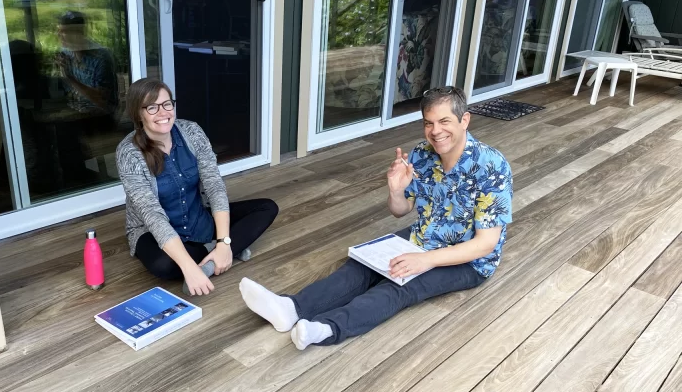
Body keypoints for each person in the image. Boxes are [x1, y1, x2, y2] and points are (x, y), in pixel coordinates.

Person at [239, 86, 512, 350]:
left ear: (464, 120)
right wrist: (395, 190)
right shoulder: (422, 154)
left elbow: (485, 244)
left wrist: (424, 260)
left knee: (400, 286)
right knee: (360, 265)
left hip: (468, 260)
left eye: (444, 121)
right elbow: (401, 210)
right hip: (424, 236)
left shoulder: (492, 166)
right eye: (428, 123)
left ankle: (327, 328)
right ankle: (291, 308)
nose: (435, 131)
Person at [116, 78, 279, 295]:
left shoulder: (191, 132)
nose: (163, 112)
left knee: (267, 207)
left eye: (167, 104)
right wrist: (190, 268)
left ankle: (219, 253)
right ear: (138, 114)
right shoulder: (128, 153)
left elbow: (214, 186)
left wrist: (223, 241)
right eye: (152, 107)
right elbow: (151, 215)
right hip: (151, 230)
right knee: (163, 266)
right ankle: (217, 252)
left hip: (197, 217)